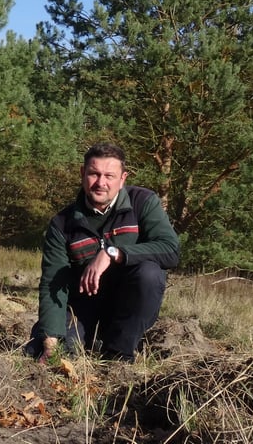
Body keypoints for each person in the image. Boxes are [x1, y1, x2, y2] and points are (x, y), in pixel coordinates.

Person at [28, 142, 179, 362]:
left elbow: (171, 249)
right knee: (48, 350)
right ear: (82, 174)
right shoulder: (62, 223)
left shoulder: (143, 203)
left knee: (149, 273)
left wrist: (113, 253)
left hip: (127, 305)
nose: (101, 183)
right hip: (83, 307)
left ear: (123, 178)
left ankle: (118, 354)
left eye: (109, 175)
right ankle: (82, 341)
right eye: (94, 174)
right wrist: (51, 341)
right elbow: (52, 284)